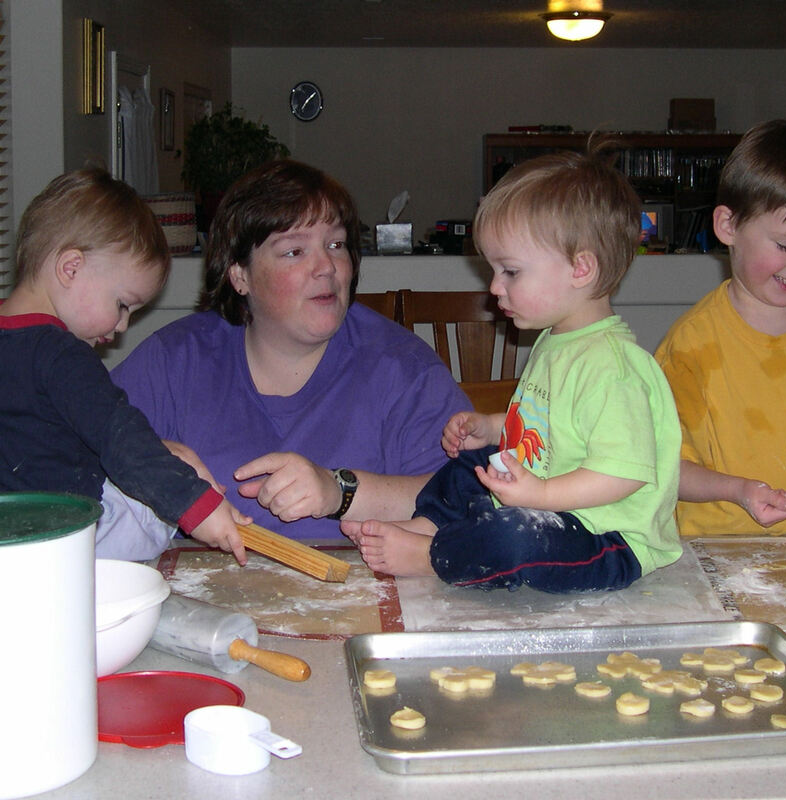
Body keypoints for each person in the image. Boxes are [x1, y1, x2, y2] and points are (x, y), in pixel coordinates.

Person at [343, 147, 682, 591]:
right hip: (550, 504)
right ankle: (425, 526)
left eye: (511, 271)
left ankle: (434, 555)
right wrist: (493, 427)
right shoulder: (557, 340)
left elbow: (624, 472)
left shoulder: (613, 367)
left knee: (517, 539)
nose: (494, 286)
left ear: (581, 268)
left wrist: (540, 498)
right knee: (472, 465)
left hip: (605, 537)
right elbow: (555, 424)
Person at [111, 159, 469, 541]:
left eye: (336, 245)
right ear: (239, 275)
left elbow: (473, 494)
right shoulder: (174, 359)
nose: (327, 267)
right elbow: (63, 453)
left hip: (356, 594)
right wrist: (146, 457)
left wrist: (341, 491)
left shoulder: (403, 368)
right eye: (294, 252)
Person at [0, 168, 249, 562]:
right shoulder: (64, 356)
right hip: (63, 542)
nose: (121, 327)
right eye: (122, 305)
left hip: (10, 539)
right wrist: (197, 507)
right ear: (71, 268)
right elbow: (122, 439)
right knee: (148, 511)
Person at [655, 119, 786, 537]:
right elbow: (667, 468)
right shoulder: (689, 346)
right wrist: (739, 490)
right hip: (720, 554)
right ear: (728, 227)